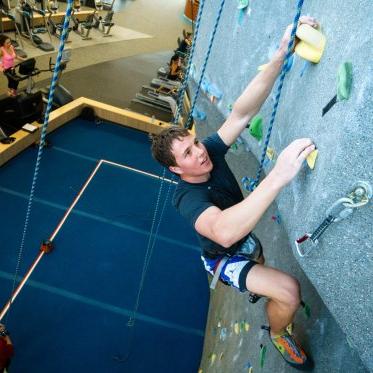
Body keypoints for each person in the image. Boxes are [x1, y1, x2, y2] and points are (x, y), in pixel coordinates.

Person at [151, 16, 318, 371]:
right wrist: (279, 175)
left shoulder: (208, 152)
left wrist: (279, 56)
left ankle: (260, 283)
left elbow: (242, 112)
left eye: (195, 143)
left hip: (244, 244)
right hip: (223, 258)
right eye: (188, 155)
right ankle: (277, 333)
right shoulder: (186, 199)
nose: (200, 153)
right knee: (288, 290)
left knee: (258, 261)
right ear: (176, 170)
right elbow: (225, 231)